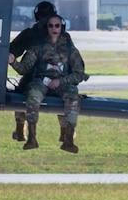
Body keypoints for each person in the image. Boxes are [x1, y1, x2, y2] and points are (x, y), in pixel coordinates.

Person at [13, 14, 87, 153]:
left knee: (73, 98)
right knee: (32, 96)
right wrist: (13, 61)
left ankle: (69, 139)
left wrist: (61, 81)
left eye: (57, 26)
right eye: (51, 25)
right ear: (46, 27)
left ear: (61, 27)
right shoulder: (38, 47)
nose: (54, 28)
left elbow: (79, 73)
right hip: (40, 83)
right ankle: (32, 138)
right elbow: (23, 68)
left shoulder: (69, 48)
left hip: (62, 83)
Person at [5, 1, 59, 139]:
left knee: (18, 96)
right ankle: (65, 133)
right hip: (55, 80)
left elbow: (12, 51)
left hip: (32, 80)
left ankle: (20, 129)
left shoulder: (30, 34)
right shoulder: (60, 35)